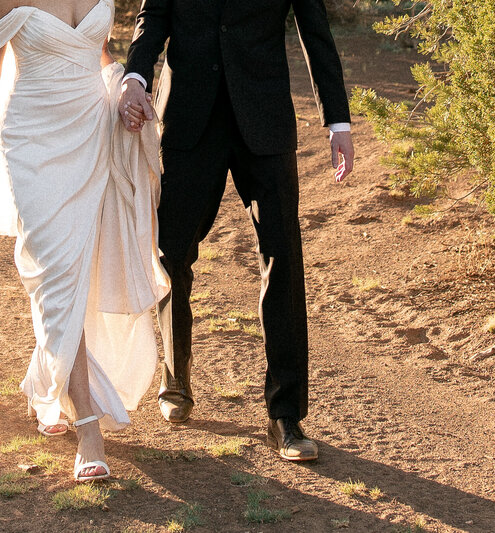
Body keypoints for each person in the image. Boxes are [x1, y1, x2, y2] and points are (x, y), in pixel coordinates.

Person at [0, 0, 168, 481]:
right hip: (33, 141)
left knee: (78, 267)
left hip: (94, 131)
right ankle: (88, 427)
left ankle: (53, 377)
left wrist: (127, 88)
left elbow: (99, 55)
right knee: (57, 271)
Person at [118, 0, 355, 462]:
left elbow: (315, 30)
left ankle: (285, 415)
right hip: (188, 117)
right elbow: (154, 18)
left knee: (283, 256)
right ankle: (175, 372)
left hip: (264, 118)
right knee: (171, 252)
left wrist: (337, 120)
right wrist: (135, 77)